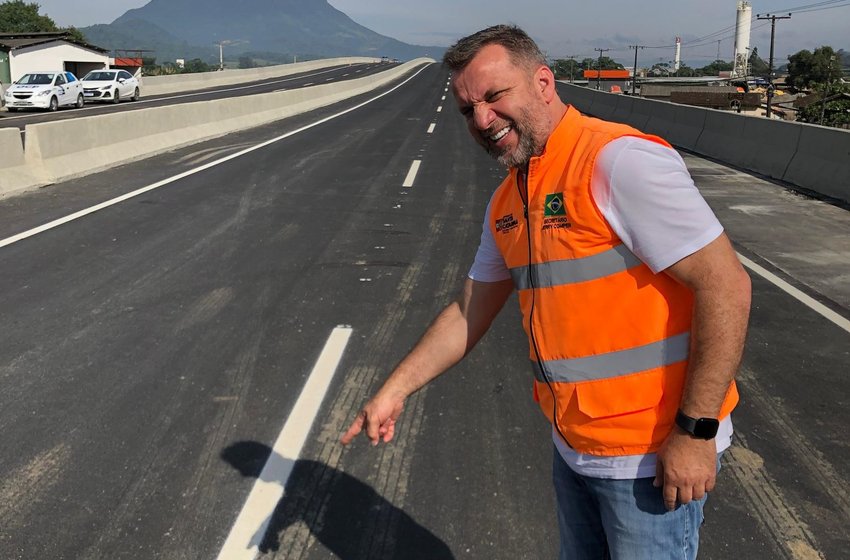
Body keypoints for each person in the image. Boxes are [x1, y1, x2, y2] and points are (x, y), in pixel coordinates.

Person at [341, 24, 751, 560]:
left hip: (650, 457)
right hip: (577, 450)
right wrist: (394, 391)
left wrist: (696, 434)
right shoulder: (510, 199)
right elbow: (470, 308)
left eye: (494, 96)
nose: (483, 120)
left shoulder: (615, 162)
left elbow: (727, 287)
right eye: (468, 110)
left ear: (543, 82)